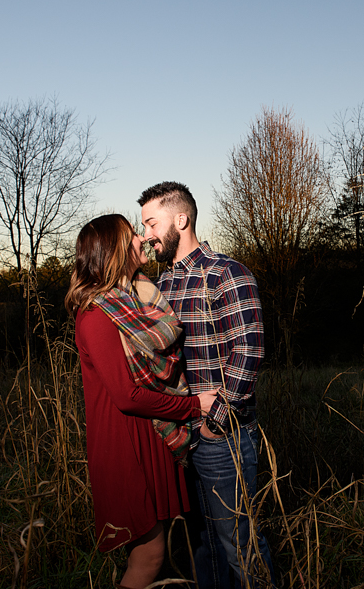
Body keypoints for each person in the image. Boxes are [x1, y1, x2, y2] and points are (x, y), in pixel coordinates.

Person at [65, 214, 218, 589]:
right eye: (131, 233)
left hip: (149, 435)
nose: (141, 238)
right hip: (124, 445)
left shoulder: (133, 301)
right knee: (149, 558)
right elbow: (126, 395)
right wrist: (193, 405)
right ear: (115, 250)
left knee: (155, 553)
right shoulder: (96, 314)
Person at [138, 181, 276, 589]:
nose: (146, 235)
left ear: (180, 220)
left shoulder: (227, 274)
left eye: (151, 223)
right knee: (204, 545)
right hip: (183, 437)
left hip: (223, 435)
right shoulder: (162, 285)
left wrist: (215, 421)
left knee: (238, 543)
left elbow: (248, 352)